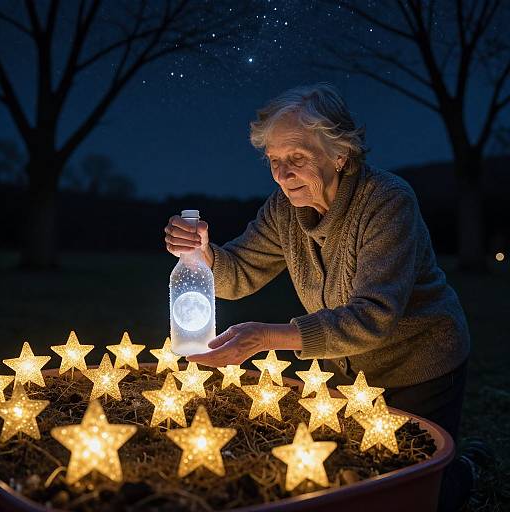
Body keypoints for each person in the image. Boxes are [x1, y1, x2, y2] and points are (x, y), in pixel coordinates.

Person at [164, 83, 479, 510]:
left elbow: (373, 317)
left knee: (413, 488)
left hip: (418, 364)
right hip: (347, 368)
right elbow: (238, 273)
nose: (282, 174)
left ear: (340, 153)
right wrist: (204, 257)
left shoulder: (387, 201)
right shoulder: (284, 209)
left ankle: (463, 472)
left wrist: (267, 338)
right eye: (274, 161)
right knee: (352, 478)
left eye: (296, 158)